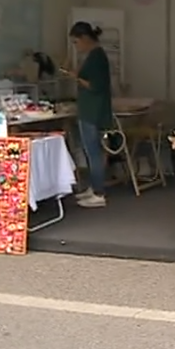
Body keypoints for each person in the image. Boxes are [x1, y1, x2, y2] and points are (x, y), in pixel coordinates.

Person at [65, 21, 113, 209]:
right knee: (90, 151)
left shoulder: (96, 56)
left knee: (93, 153)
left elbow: (95, 85)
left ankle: (99, 192)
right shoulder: (95, 56)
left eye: (76, 42)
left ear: (85, 38)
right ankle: (93, 188)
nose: (76, 47)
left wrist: (75, 76)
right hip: (90, 109)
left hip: (92, 111)